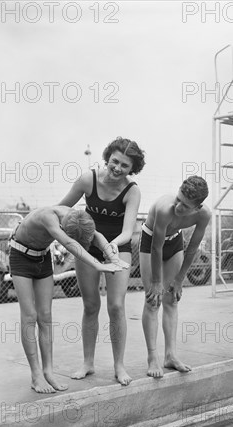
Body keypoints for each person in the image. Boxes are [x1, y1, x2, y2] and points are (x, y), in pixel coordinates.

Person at [9, 206, 127, 394]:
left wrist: (113, 257)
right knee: (30, 315)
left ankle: (48, 372)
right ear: (65, 230)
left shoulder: (75, 216)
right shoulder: (49, 218)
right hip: (21, 257)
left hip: (42, 258)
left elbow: (96, 235)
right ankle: (36, 375)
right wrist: (99, 265)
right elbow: (71, 245)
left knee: (45, 316)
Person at [58, 137, 145, 386]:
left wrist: (110, 247)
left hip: (118, 247)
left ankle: (119, 366)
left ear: (132, 169)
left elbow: (129, 231)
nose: (118, 168)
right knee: (91, 305)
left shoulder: (132, 191)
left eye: (125, 165)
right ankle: (88, 363)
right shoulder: (89, 180)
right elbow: (62, 208)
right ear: (107, 158)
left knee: (116, 306)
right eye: (115, 161)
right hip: (87, 246)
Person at [139, 176, 211, 379]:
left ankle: (170, 355)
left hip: (175, 241)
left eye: (186, 205)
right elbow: (156, 247)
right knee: (153, 300)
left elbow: (193, 248)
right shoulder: (164, 209)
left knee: (171, 299)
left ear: (197, 207)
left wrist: (179, 279)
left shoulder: (204, 215)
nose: (178, 206)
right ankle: (152, 357)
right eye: (178, 198)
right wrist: (155, 282)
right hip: (151, 241)